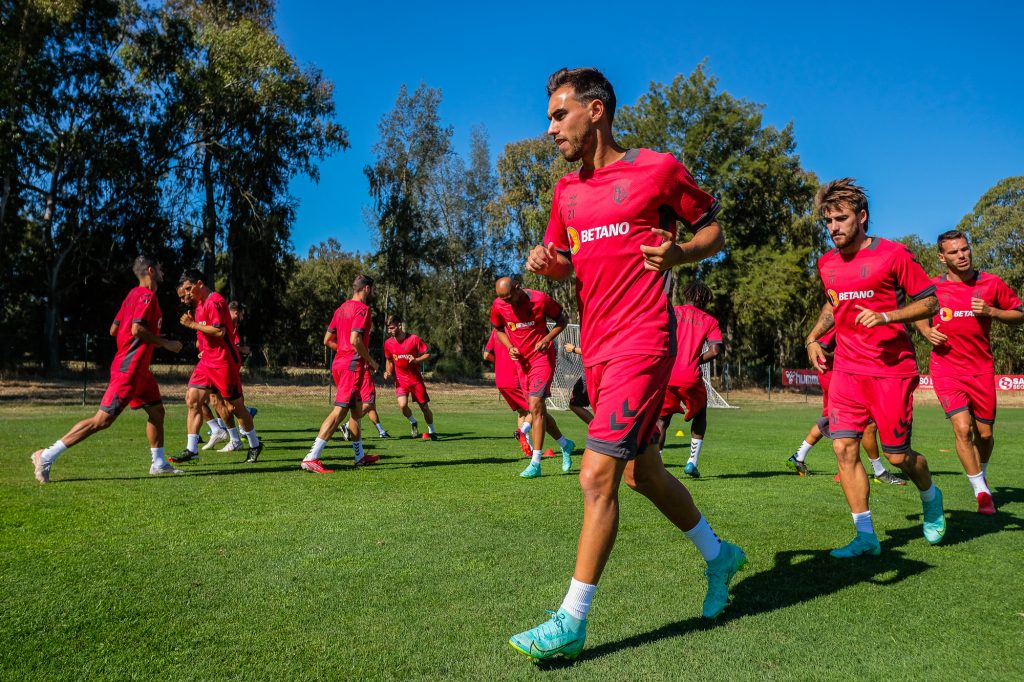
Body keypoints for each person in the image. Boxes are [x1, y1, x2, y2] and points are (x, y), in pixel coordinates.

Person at [512, 67, 741, 662]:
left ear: (596, 110)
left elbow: (714, 230)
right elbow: (570, 263)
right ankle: (721, 557)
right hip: (599, 347)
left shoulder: (658, 169)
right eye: (549, 118)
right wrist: (547, 263)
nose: (551, 129)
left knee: (595, 476)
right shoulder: (566, 192)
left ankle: (572, 619)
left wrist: (682, 251)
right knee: (639, 472)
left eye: (559, 115)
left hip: (646, 340)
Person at [805, 178, 945, 559]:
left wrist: (888, 316)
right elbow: (834, 305)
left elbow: (930, 303)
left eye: (841, 218)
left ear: (862, 217)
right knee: (843, 447)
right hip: (847, 369)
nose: (834, 227)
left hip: (890, 370)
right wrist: (814, 338)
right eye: (828, 220)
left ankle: (931, 496)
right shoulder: (826, 263)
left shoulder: (894, 255)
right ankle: (865, 536)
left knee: (898, 456)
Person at [31, 256, 184, 482]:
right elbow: (136, 329)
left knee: (157, 412)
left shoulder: (132, 296)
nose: (163, 271)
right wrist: (166, 343)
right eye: (160, 267)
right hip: (129, 370)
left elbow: (114, 329)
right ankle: (45, 455)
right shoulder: (146, 296)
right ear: (151, 271)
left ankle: (159, 463)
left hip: (140, 371)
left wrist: (133, 345)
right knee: (101, 420)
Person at [914, 230, 1024, 514]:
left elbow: (1019, 313)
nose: (961, 255)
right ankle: (981, 491)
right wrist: (927, 331)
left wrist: (992, 312)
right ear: (942, 257)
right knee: (963, 429)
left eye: (964, 249)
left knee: (984, 435)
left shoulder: (991, 284)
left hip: (981, 369)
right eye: (953, 252)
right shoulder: (933, 287)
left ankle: (981, 472)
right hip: (946, 369)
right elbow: (915, 312)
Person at [787, 327, 906, 485]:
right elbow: (819, 348)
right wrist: (850, 354)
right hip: (836, 375)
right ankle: (875, 471)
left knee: (830, 420)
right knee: (863, 423)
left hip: (837, 375)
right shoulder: (837, 319)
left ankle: (799, 457)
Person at [171, 270, 262, 464]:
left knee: (235, 408)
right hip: (207, 362)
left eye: (189, 288)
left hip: (224, 362)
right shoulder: (199, 305)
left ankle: (254, 444)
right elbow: (205, 336)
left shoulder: (216, 301)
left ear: (200, 283)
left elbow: (219, 332)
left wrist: (193, 325)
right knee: (192, 399)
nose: (186, 293)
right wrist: (202, 348)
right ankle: (191, 449)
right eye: (184, 290)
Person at [490, 276, 574, 477]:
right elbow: (498, 329)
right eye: (502, 299)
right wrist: (510, 347)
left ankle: (536, 463)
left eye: (509, 297)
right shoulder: (499, 305)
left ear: (518, 288)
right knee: (537, 410)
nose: (506, 302)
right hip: (522, 362)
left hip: (542, 358)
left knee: (535, 404)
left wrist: (547, 339)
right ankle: (565, 443)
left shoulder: (540, 299)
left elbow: (562, 321)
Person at [301, 275, 381, 473]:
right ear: (367, 289)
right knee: (340, 411)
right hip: (352, 366)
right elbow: (355, 340)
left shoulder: (340, 309)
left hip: (341, 363)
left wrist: (344, 352)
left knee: (355, 411)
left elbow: (327, 340)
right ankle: (312, 457)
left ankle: (359, 456)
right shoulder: (363, 309)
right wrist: (370, 361)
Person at [655, 282, 723, 478]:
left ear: (687, 295)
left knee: (661, 421)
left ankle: (658, 464)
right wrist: (695, 360)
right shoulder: (710, 320)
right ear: (704, 299)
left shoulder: (672, 312)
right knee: (700, 415)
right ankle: (692, 462)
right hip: (690, 377)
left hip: (666, 374)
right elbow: (715, 350)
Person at [484, 330, 571, 456]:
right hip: (517, 378)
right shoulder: (519, 330)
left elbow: (486, 355)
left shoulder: (495, 331)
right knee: (538, 411)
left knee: (522, 413)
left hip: (501, 380)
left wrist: (501, 364)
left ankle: (528, 448)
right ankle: (558, 443)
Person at [383, 314, 437, 440]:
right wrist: (388, 371)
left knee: (424, 407)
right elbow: (389, 360)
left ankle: (432, 431)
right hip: (400, 380)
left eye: (391, 328)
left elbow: (427, 353)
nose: (389, 331)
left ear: (399, 325)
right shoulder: (388, 343)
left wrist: (416, 360)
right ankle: (413, 422)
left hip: (415, 380)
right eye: (388, 328)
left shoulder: (413, 339)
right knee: (402, 406)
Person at [562, 342, 594, 425]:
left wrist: (573, 349)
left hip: (592, 372)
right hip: (610, 373)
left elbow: (595, 351)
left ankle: (599, 429)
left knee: (574, 404)